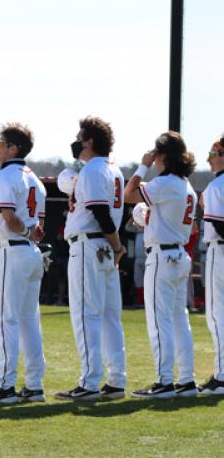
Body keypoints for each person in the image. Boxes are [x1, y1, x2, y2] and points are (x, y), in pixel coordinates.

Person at [55, 116, 127, 401]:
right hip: (104, 246)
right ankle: (116, 380)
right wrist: (116, 245)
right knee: (110, 316)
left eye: (80, 137)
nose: (76, 142)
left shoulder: (93, 169)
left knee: (87, 315)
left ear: (91, 142)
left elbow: (99, 212)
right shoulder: (114, 169)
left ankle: (89, 382)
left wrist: (117, 244)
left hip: (90, 245)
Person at [0, 122, 46, 404]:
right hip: (31, 251)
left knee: (6, 320)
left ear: (13, 148)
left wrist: (26, 231)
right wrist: (29, 232)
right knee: (29, 320)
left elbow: (10, 218)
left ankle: (6, 386)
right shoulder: (36, 180)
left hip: (13, 250)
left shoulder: (5, 176)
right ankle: (35, 384)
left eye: (1, 144)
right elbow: (39, 226)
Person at [125, 131, 197, 398]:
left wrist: (142, 166)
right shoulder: (185, 185)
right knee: (180, 321)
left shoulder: (165, 182)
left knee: (159, 321)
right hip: (179, 254)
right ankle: (187, 380)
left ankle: (165, 381)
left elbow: (128, 194)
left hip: (163, 257)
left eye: (156, 155)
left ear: (163, 156)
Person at [198, 135, 224, 395]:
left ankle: (223, 375)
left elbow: (219, 224)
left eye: (214, 153)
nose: (209, 159)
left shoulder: (217, 187)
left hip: (221, 251)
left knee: (217, 315)